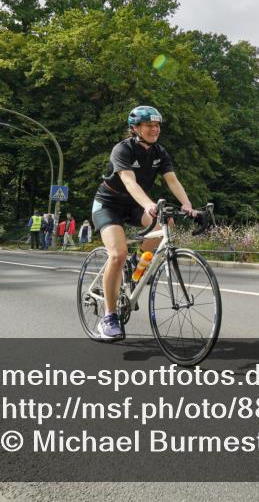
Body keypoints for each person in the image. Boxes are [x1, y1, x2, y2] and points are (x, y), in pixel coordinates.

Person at [91, 105, 195, 341]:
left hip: (135, 204)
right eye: (149, 125)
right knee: (117, 254)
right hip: (109, 204)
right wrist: (149, 204)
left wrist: (187, 205)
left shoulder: (160, 152)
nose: (155, 129)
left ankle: (138, 262)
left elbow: (172, 180)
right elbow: (129, 182)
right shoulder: (122, 149)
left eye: (157, 125)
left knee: (166, 222)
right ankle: (109, 317)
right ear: (136, 128)